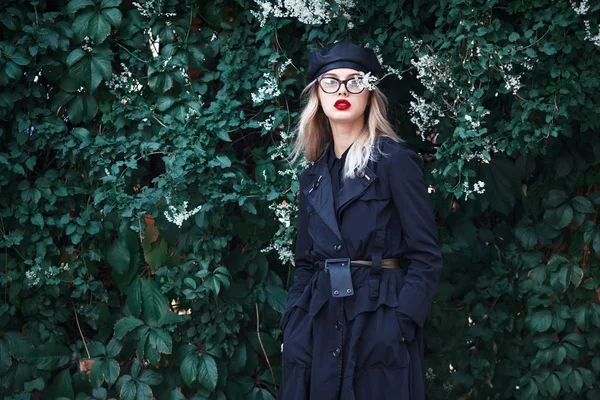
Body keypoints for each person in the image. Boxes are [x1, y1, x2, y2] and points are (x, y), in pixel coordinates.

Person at [278, 41, 443, 400]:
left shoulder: (394, 161)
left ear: (370, 93)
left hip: (379, 318)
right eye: (331, 82)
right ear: (317, 95)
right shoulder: (314, 176)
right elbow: (305, 261)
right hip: (319, 321)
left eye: (355, 81)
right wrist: (293, 321)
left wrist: (402, 322)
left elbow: (426, 256)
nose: (343, 91)